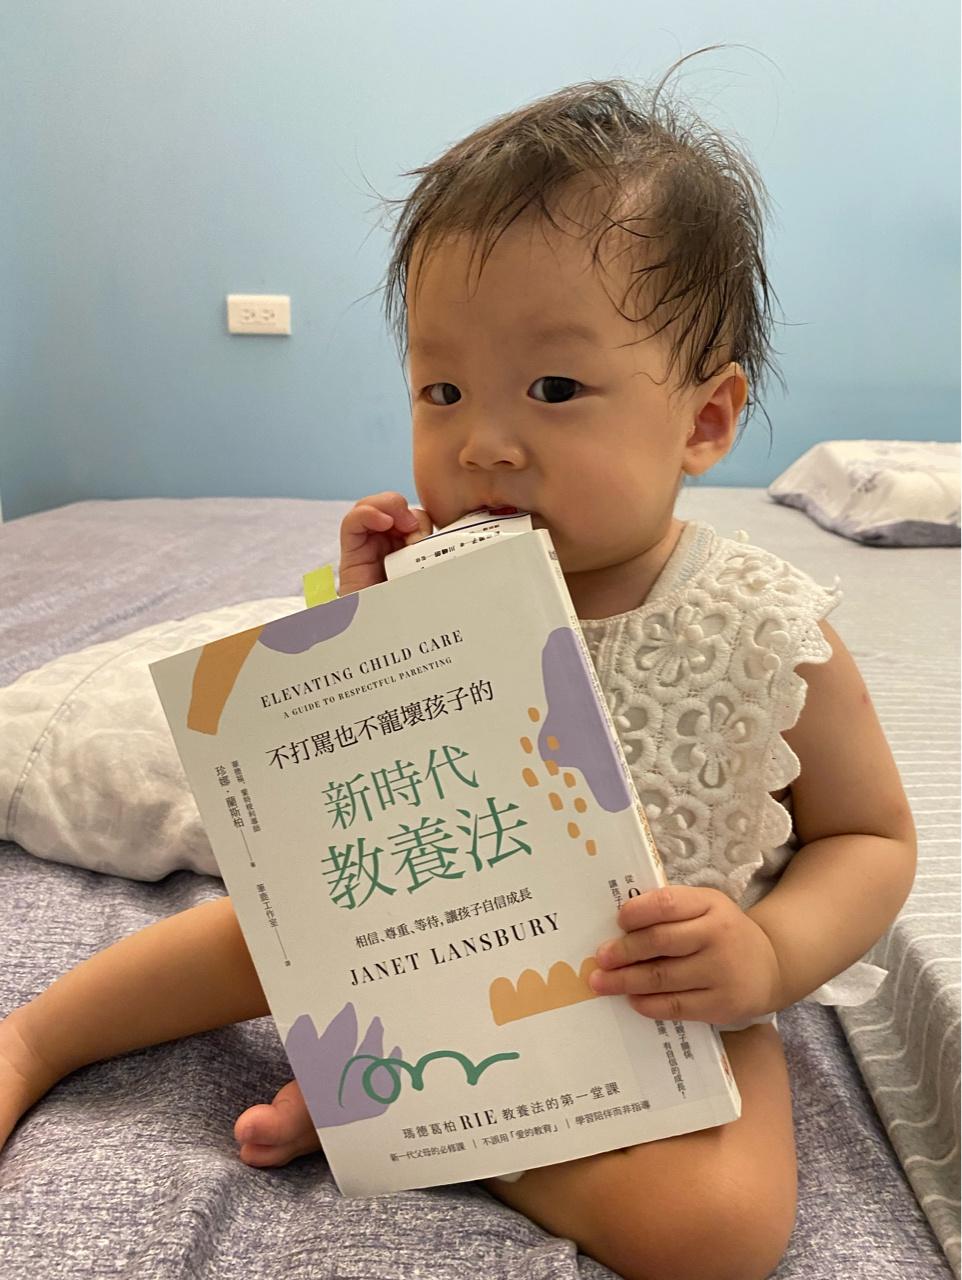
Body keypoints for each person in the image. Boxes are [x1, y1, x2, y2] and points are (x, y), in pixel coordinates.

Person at [0, 70, 916, 1280]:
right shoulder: (438, 577)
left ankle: (406, 1115)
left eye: (553, 389)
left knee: (717, 1233)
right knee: (260, 930)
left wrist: (764, 952)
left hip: (655, 988)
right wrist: (360, 622)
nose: (481, 441)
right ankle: (32, 1038)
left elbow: (870, 838)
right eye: (441, 391)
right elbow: (350, 773)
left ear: (702, 420)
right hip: (425, 929)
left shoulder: (760, 624)